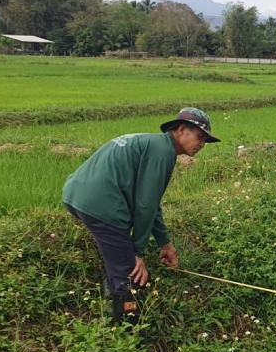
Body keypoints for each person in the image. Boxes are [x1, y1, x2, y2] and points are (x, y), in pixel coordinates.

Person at [62, 107, 219, 323]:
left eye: (205, 141)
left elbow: (151, 203)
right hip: (101, 205)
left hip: (76, 195)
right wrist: (136, 251)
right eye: (200, 137)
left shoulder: (153, 143)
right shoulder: (163, 152)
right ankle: (126, 330)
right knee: (132, 273)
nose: (201, 144)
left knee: (119, 257)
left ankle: (113, 298)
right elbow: (145, 206)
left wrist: (165, 243)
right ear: (181, 129)